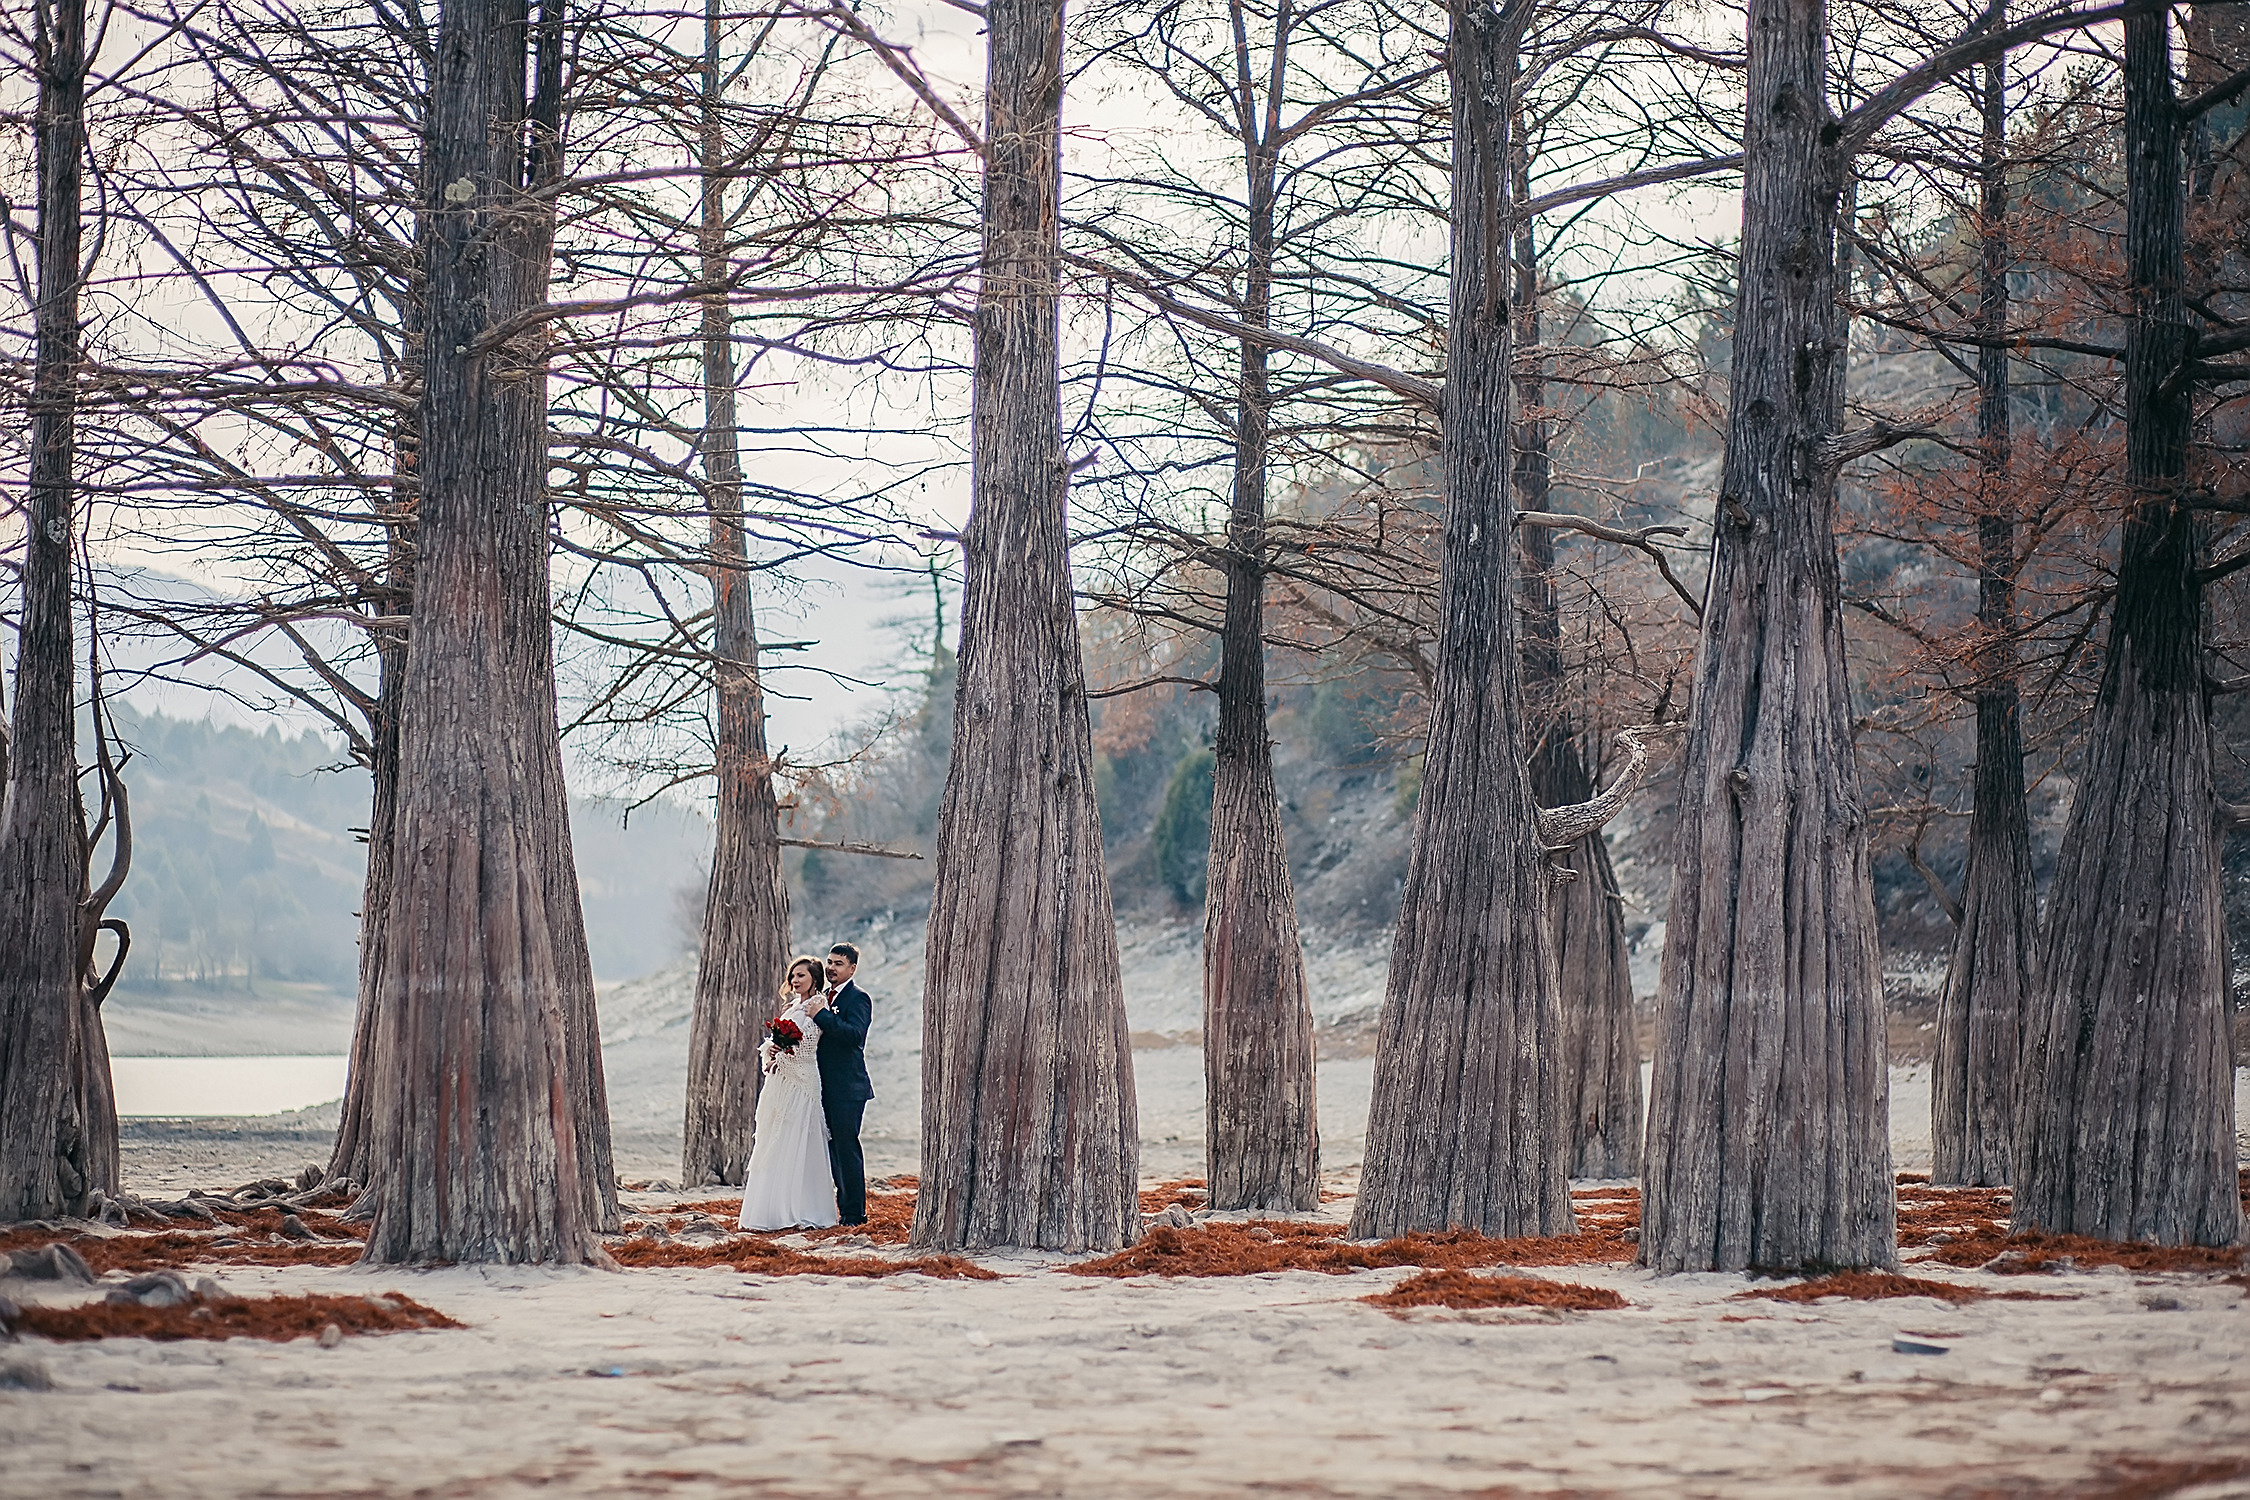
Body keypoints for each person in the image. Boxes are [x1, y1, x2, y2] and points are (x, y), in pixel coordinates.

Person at [736, 956, 839, 1231]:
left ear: (814, 979)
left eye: (801, 976)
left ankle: (804, 1208)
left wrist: (781, 1057)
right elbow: (775, 1042)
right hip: (781, 1081)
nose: (795, 980)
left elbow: (806, 1044)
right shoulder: (792, 1006)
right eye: (792, 975)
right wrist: (771, 1054)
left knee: (798, 1138)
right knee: (777, 1138)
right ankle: (773, 1208)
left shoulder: (817, 1006)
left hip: (802, 1081)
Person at [808, 943, 873, 1226]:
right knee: (830, 1150)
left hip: (848, 1088)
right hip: (820, 1086)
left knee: (847, 1148)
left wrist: (822, 1016)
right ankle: (837, 1209)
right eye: (829, 962)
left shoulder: (859, 999)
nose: (831, 968)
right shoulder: (821, 997)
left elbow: (854, 1036)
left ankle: (854, 1214)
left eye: (838, 964)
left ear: (852, 969)